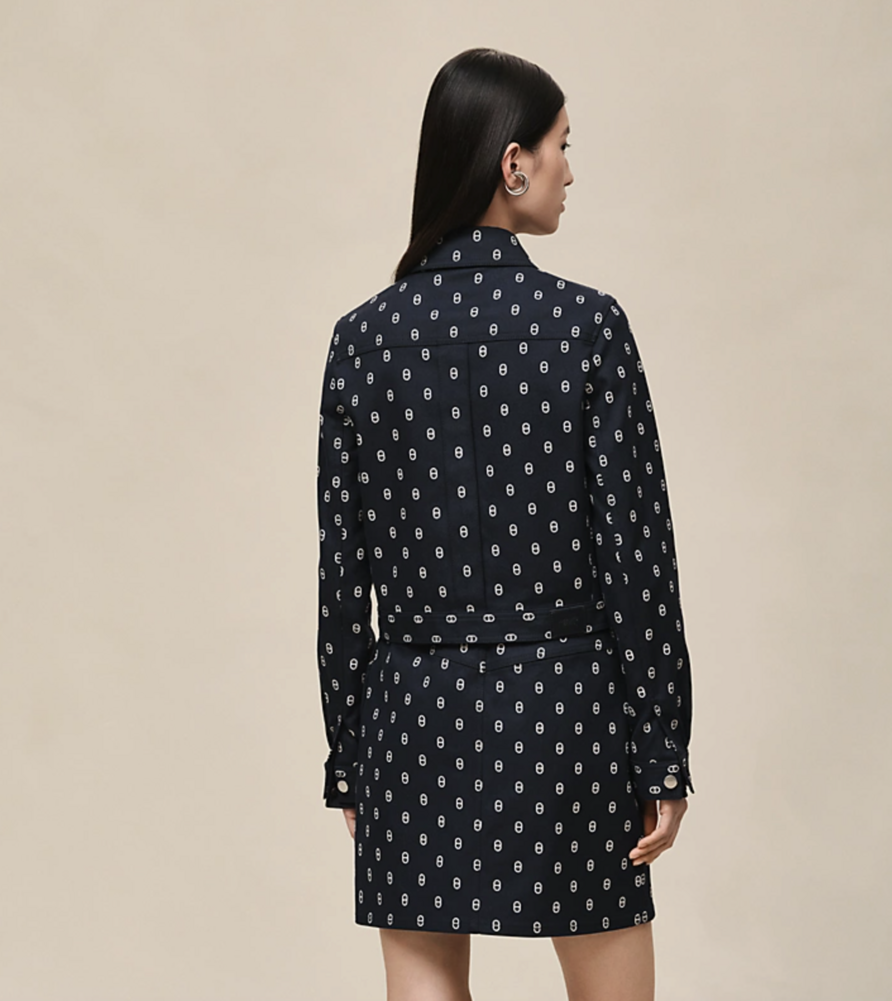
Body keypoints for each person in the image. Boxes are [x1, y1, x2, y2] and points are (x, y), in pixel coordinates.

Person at [315, 47, 695, 1001]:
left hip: (412, 720)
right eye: (563, 145)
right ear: (513, 163)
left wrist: (350, 755)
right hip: (568, 718)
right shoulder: (588, 327)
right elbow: (638, 563)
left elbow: (342, 579)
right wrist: (663, 748)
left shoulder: (362, 341)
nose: (571, 169)